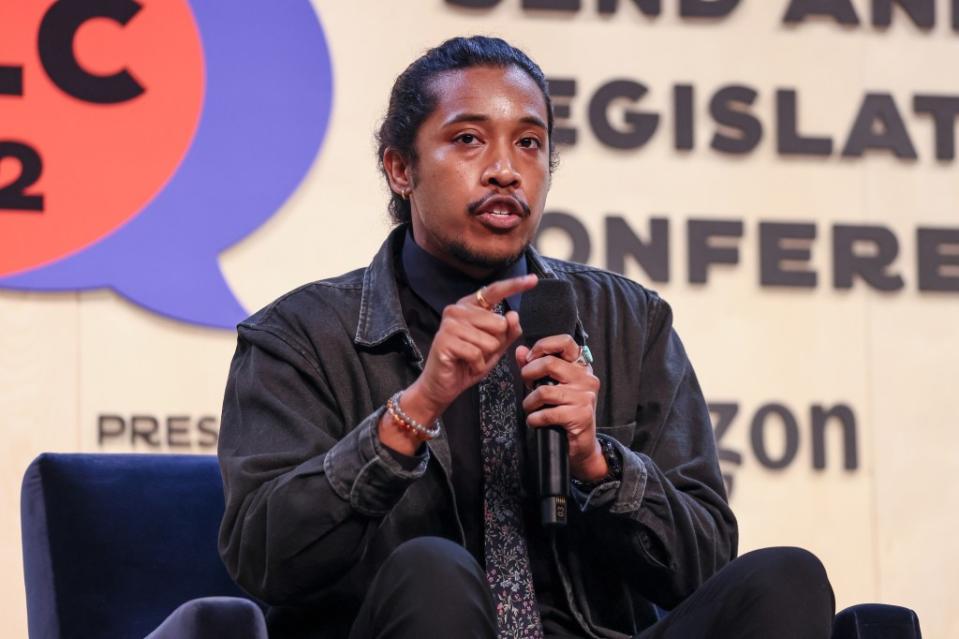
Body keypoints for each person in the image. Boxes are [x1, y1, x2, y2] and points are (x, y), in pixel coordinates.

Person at [217, 36, 835, 639]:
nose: (506, 171)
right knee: (436, 572)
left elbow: (703, 566)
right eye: (468, 139)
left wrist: (599, 465)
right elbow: (264, 559)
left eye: (530, 144)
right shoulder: (298, 336)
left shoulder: (629, 319)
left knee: (787, 578)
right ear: (400, 168)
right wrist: (415, 409)